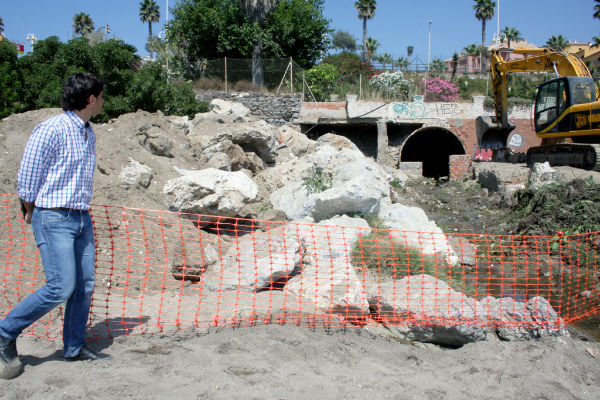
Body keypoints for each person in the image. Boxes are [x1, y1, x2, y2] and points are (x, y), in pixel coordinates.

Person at [0, 73, 111, 380]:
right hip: (53, 217)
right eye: (101, 96)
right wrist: (35, 211)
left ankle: (74, 347)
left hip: (81, 218)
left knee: (84, 285)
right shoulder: (51, 129)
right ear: (90, 99)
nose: (103, 101)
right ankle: (5, 332)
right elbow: (27, 178)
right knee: (60, 286)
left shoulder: (89, 132)